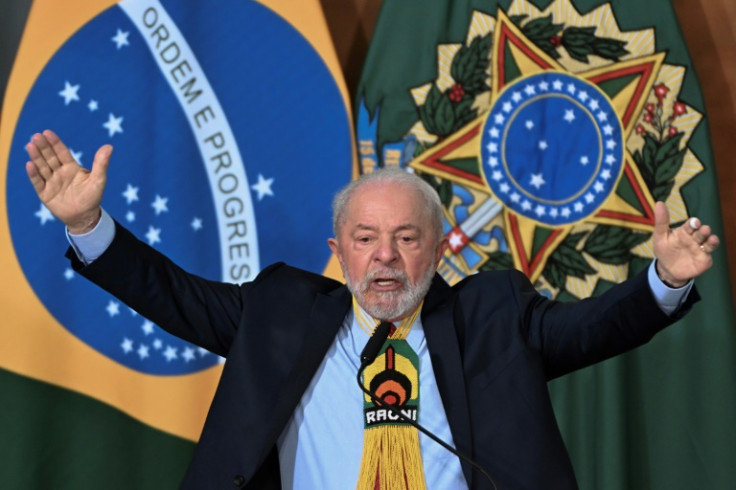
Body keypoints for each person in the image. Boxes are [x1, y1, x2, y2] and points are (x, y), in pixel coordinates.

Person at [25, 129, 719, 490]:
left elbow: (595, 327)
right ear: (339, 251)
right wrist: (89, 226)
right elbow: (169, 294)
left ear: (441, 248)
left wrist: (661, 277)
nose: (384, 258)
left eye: (406, 238)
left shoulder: (493, 316)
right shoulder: (281, 313)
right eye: (365, 239)